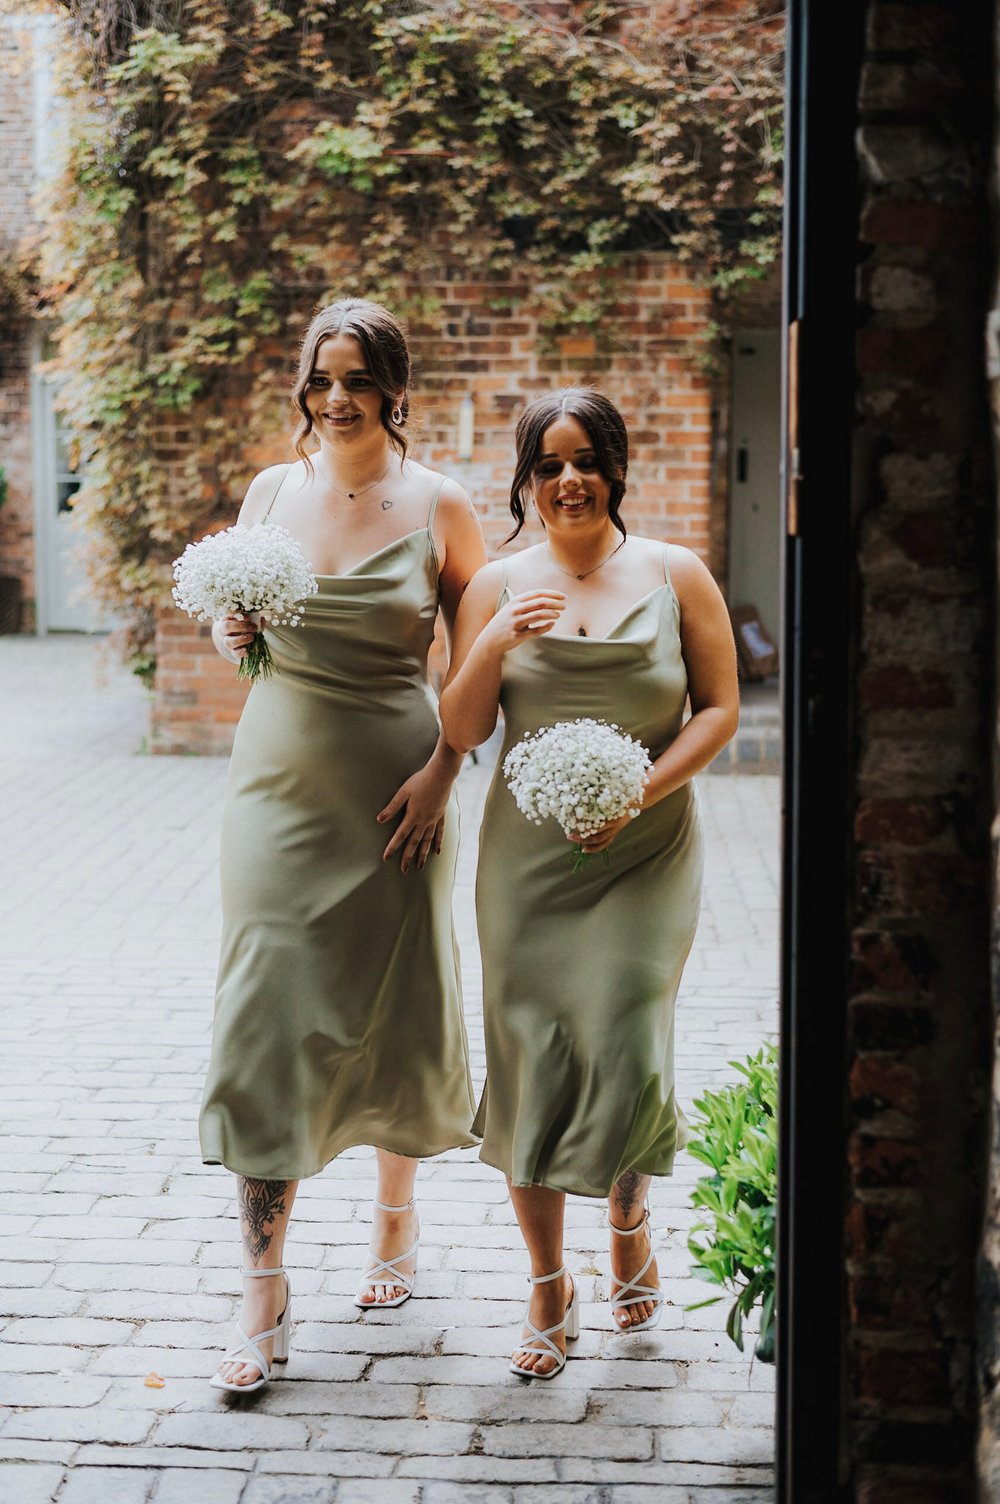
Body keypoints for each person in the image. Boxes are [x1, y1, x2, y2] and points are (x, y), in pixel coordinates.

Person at [200, 297, 487, 1392]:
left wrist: (444, 776)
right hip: (274, 784)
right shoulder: (272, 489)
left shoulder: (440, 507)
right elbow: (251, 636)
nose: (335, 398)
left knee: (393, 1000)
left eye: (356, 378)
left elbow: (473, 669)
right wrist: (238, 630)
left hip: (395, 789)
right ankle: (262, 1289)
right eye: (320, 378)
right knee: (265, 1010)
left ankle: (396, 1225)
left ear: (392, 389)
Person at [440, 387, 738, 1380]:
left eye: (585, 459)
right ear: (526, 481)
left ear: (614, 468)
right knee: (530, 1059)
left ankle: (629, 1215)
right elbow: (463, 730)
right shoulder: (496, 585)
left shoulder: (674, 573)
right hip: (525, 865)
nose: (567, 479)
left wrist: (639, 794)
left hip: (646, 853)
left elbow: (720, 711)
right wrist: (491, 643)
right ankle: (547, 1284)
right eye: (547, 463)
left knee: (619, 1036)